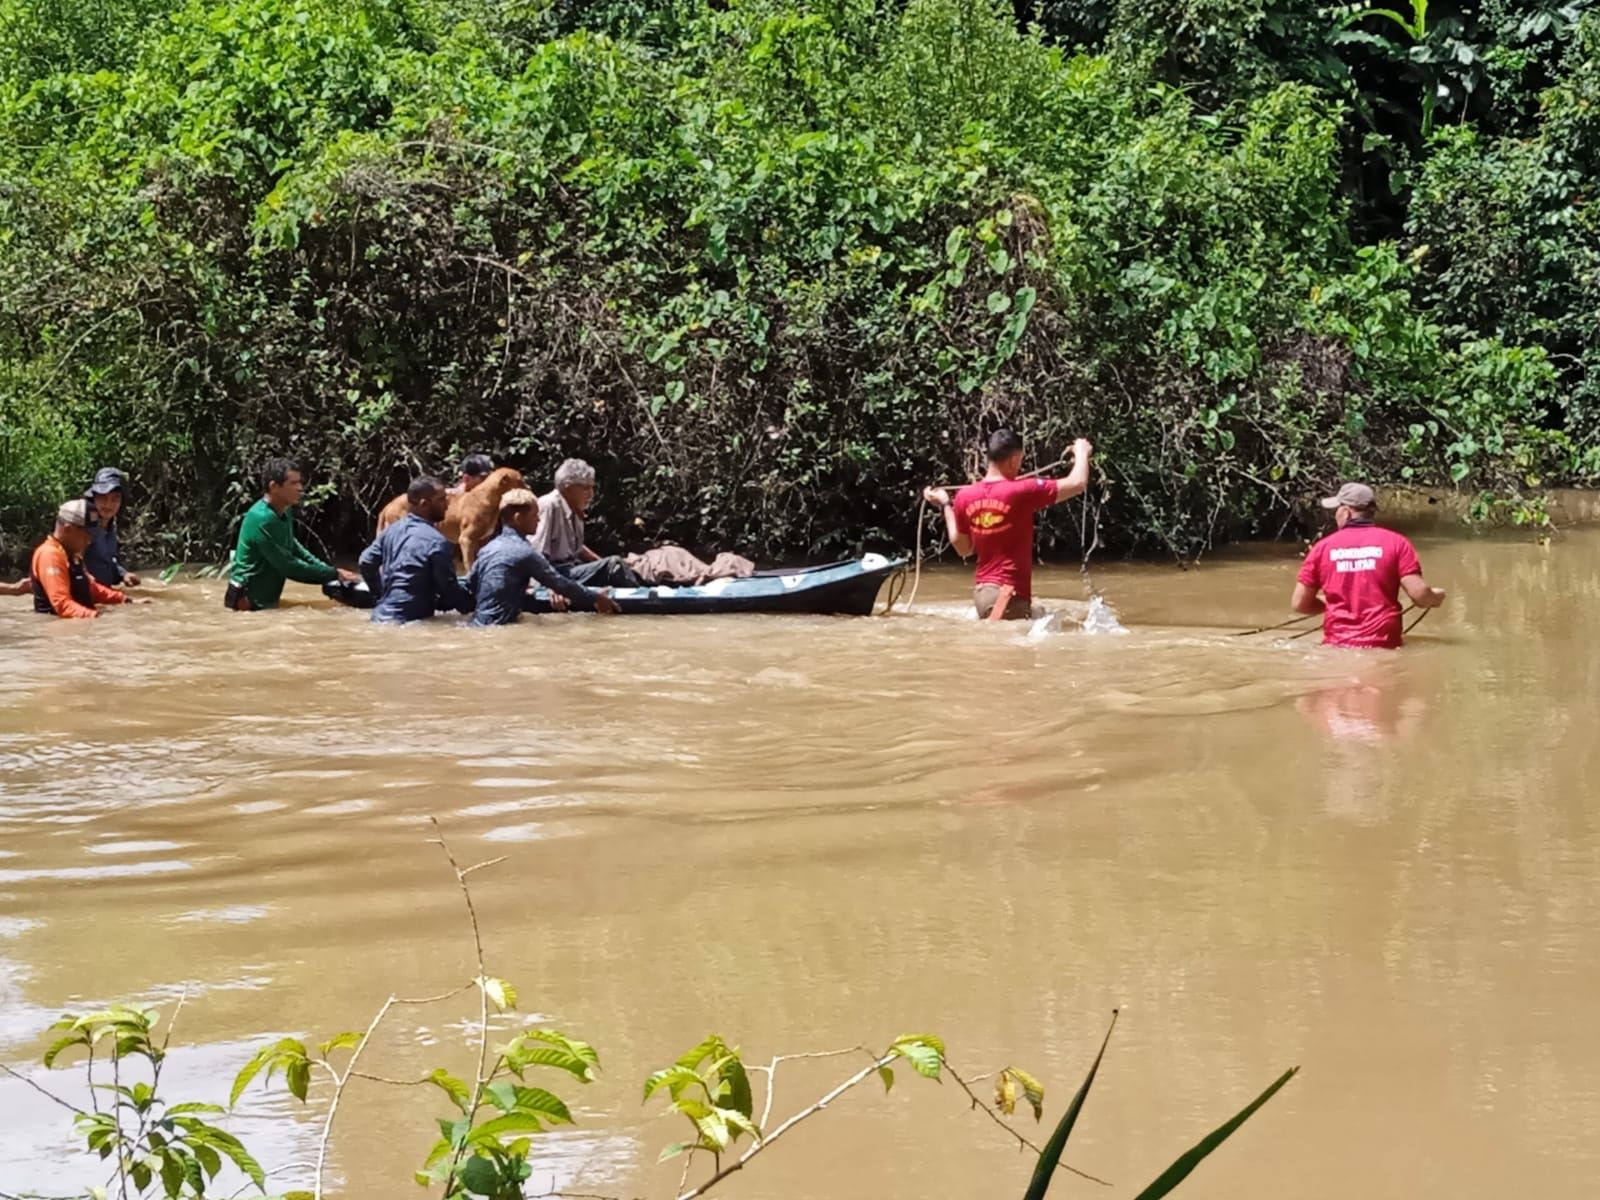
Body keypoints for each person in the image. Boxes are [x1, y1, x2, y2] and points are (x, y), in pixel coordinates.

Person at [923, 430, 1093, 620]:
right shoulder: (1022, 491)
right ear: (1013, 460)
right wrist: (1081, 452)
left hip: (982, 594)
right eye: (1020, 460)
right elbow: (1077, 483)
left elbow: (963, 548)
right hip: (1008, 596)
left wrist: (946, 504)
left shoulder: (964, 496)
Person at [1291, 482, 1446, 649]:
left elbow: (1300, 604)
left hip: (1338, 647)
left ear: (1345, 512)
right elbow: (1420, 595)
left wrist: (1337, 604)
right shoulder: (1397, 543)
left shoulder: (1322, 548)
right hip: (1385, 645)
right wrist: (1436, 597)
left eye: (1337, 509)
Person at [467, 489, 621, 625]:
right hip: (499, 627)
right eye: (535, 515)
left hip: (477, 624)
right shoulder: (525, 552)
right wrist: (596, 598)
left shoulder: (487, 550)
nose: (539, 519)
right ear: (518, 518)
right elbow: (560, 583)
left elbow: (471, 585)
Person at [227, 458, 358, 611]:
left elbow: (293, 546)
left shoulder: (284, 510)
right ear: (274, 486)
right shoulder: (262, 518)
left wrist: (327, 569)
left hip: (266, 601)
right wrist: (332, 574)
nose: (300, 488)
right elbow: (288, 566)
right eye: (293, 483)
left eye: (299, 482)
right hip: (247, 602)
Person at [359, 476, 474, 624]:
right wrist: (472, 607)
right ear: (424, 504)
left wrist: (379, 596)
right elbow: (448, 590)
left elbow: (366, 562)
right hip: (409, 621)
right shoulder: (437, 542)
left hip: (379, 616)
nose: (447, 504)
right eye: (441, 500)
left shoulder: (391, 531)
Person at [529, 459, 644, 587]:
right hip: (554, 575)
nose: (591, 494)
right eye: (585, 488)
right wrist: (550, 587)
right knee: (614, 564)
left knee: (616, 566)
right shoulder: (549, 505)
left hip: (571, 570)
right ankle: (643, 596)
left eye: (592, 488)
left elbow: (577, 548)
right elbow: (536, 552)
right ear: (568, 488)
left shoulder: (575, 509)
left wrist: (599, 561)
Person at [30, 500, 130, 619]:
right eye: (86, 534)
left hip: (82, 622)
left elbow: (90, 589)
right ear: (67, 529)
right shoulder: (50, 554)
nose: (89, 540)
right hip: (60, 628)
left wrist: (123, 599)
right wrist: (97, 617)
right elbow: (62, 604)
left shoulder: (72, 554)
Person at [83, 466, 140, 588]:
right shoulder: (82, 527)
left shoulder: (110, 527)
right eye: (103, 497)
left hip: (105, 593)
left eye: (115, 498)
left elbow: (106, 563)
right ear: (94, 497)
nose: (108, 504)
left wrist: (123, 574)